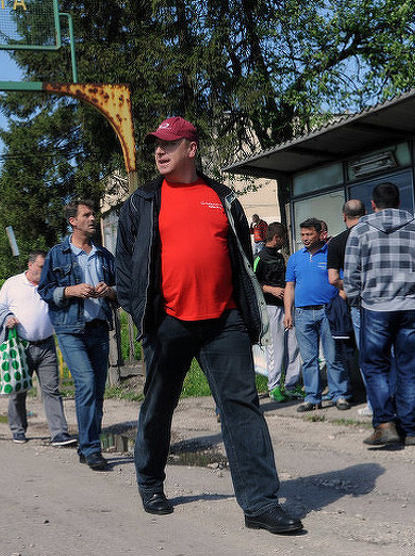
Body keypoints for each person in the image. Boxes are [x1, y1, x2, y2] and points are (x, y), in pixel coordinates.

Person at [116, 116, 301, 534]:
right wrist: (140, 313)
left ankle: (259, 503)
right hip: (168, 322)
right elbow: (124, 266)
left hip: (223, 320)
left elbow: (238, 257)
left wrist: (242, 309)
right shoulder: (142, 201)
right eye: (156, 145)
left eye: (169, 144)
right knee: (159, 405)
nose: (159, 152)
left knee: (242, 408)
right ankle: (149, 480)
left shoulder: (223, 197)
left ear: (191, 148)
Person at [344, 182, 415, 446]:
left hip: (377, 308)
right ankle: (411, 430)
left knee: (376, 367)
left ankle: (385, 424)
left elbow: (352, 272)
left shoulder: (361, 229)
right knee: (409, 369)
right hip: (411, 306)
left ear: (374, 204)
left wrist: (357, 301)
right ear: (399, 203)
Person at [38, 199, 116, 471]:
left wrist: (110, 291)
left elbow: (121, 291)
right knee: (85, 383)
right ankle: (93, 449)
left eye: (93, 214)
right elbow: (45, 291)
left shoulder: (104, 255)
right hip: (70, 330)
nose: (93, 218)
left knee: (96, 390)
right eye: (87, 215)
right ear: (73, 221)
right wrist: (70, 291)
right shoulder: (58, 254)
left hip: (98, 328)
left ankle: (87, 445)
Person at [0, 249, 77, 447]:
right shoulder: (13, 284)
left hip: (47, 345)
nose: (44, 270)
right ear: (30, 265)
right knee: (18, 390)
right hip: (21, 346)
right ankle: (18, 430)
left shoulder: (50, 284)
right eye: (41, 266)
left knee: (52, 390)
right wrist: (7, 318)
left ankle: (59, 433)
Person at [284, 218, 351, 412]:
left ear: (319, 234)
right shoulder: (296, 258)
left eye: (309, 234)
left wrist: (340, 303)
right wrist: (288, 312)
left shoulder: (332, 254)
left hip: (327, 312)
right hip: (302, 313)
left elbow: (343, 282)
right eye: (303, 234)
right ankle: (313, 398)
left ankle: (339, 395)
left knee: (333, 356)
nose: (305, 238)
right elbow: (290, 286)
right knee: (309, 359)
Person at [327, 200, 374, 417]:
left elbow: (333, 278)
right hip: (383, 300)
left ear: (343, 216)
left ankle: (375, 404)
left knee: (367, 352)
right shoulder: (375, 234)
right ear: (365, 213)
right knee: (391, 349)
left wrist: (352, 287)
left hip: (357, 303)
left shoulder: (336, 242)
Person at [253, 222, 301, 402]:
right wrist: (269, 289)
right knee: (276, 349)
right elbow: (252, 284)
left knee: (292, 346)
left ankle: (291, 385)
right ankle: (274, 388)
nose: (284, 242)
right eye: (283, 238)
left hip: (287, 307)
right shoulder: (259, 257)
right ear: (277, 238)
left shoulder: (281, 258)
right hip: (270, 308)